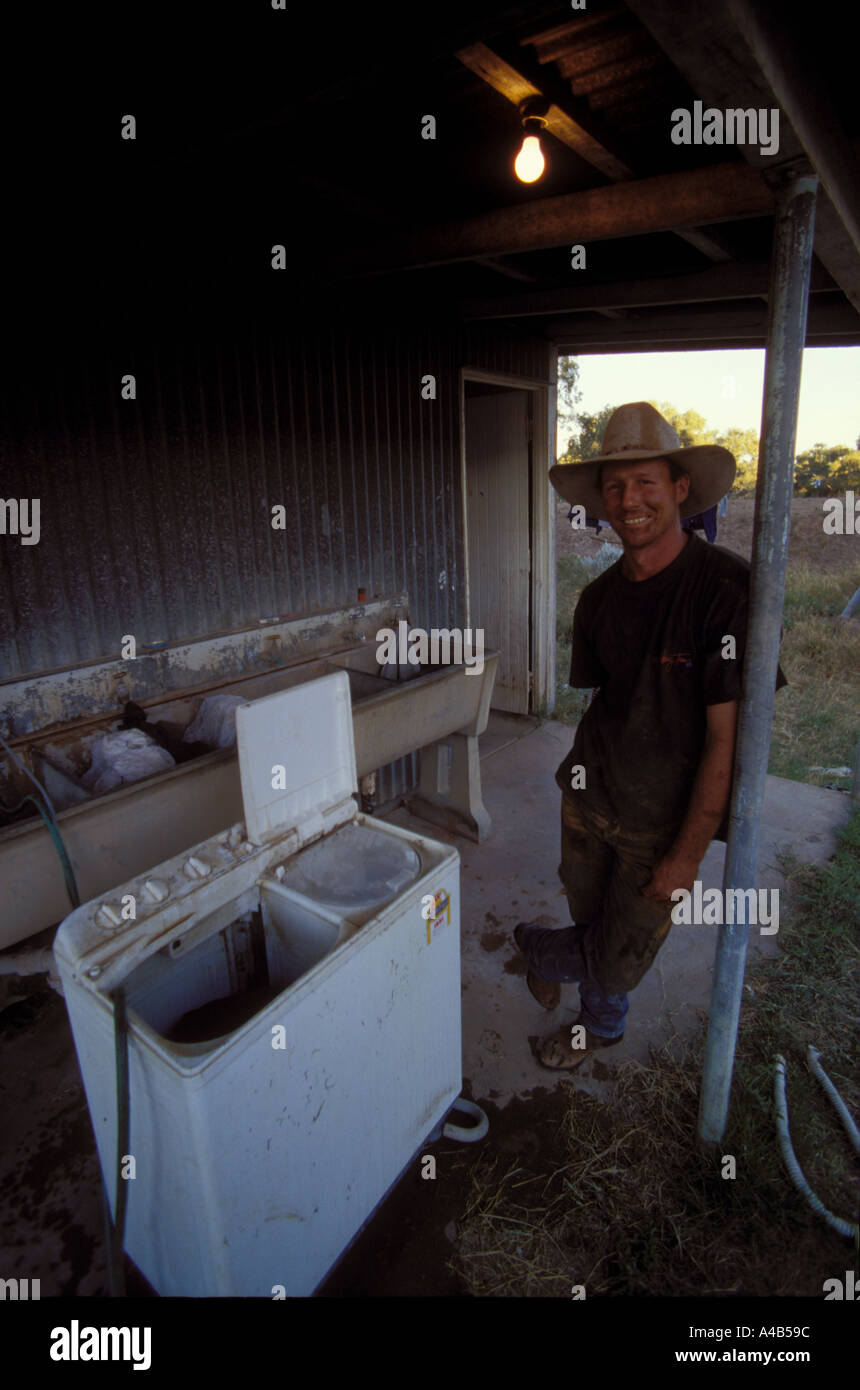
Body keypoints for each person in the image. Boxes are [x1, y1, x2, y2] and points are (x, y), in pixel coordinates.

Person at [515, 401, 785, 1071]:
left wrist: (689, 856)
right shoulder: (598, 599)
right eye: (615, 486)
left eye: (645, 483)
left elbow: (730, 740)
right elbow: (608, 701)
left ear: (679, 489)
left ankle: (538, 952)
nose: (629, 499)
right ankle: (598, 1027)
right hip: (588, 801)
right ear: (601, 501)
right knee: (596, 928)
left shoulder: (727, 591)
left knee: (619, 955)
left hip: (659, 827)